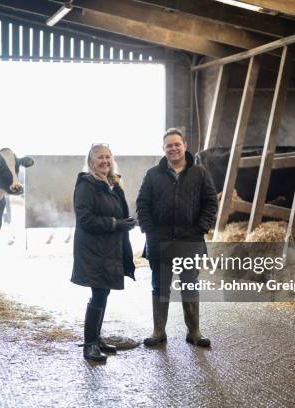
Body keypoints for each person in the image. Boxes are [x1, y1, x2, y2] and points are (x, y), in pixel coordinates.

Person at [136, 128, 218, 348]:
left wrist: (201, 228)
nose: (173, 148)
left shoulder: (199, 173)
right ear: (163, 149)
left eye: (176, 144)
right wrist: (149, 231)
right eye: (168, 145)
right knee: (160, 287)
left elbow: (211, 202)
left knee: (190, 286)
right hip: (159, 240)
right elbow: (142, 204)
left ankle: (194, 332)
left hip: (190, 241)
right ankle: (158, 331)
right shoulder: (153, 174)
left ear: (185, 145)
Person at [71, 144, 136, 362]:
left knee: (104, 292)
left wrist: (125, 223)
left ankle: (96, 339)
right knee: (98, 293)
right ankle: (89, 345)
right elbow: (85, 219)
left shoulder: (112, 184)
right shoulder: (86, 184)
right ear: (91, 161)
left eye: (108, 157)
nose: (105, 161)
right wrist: (116, 224)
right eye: (100, 157)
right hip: (93, 250)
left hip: (109, 249)